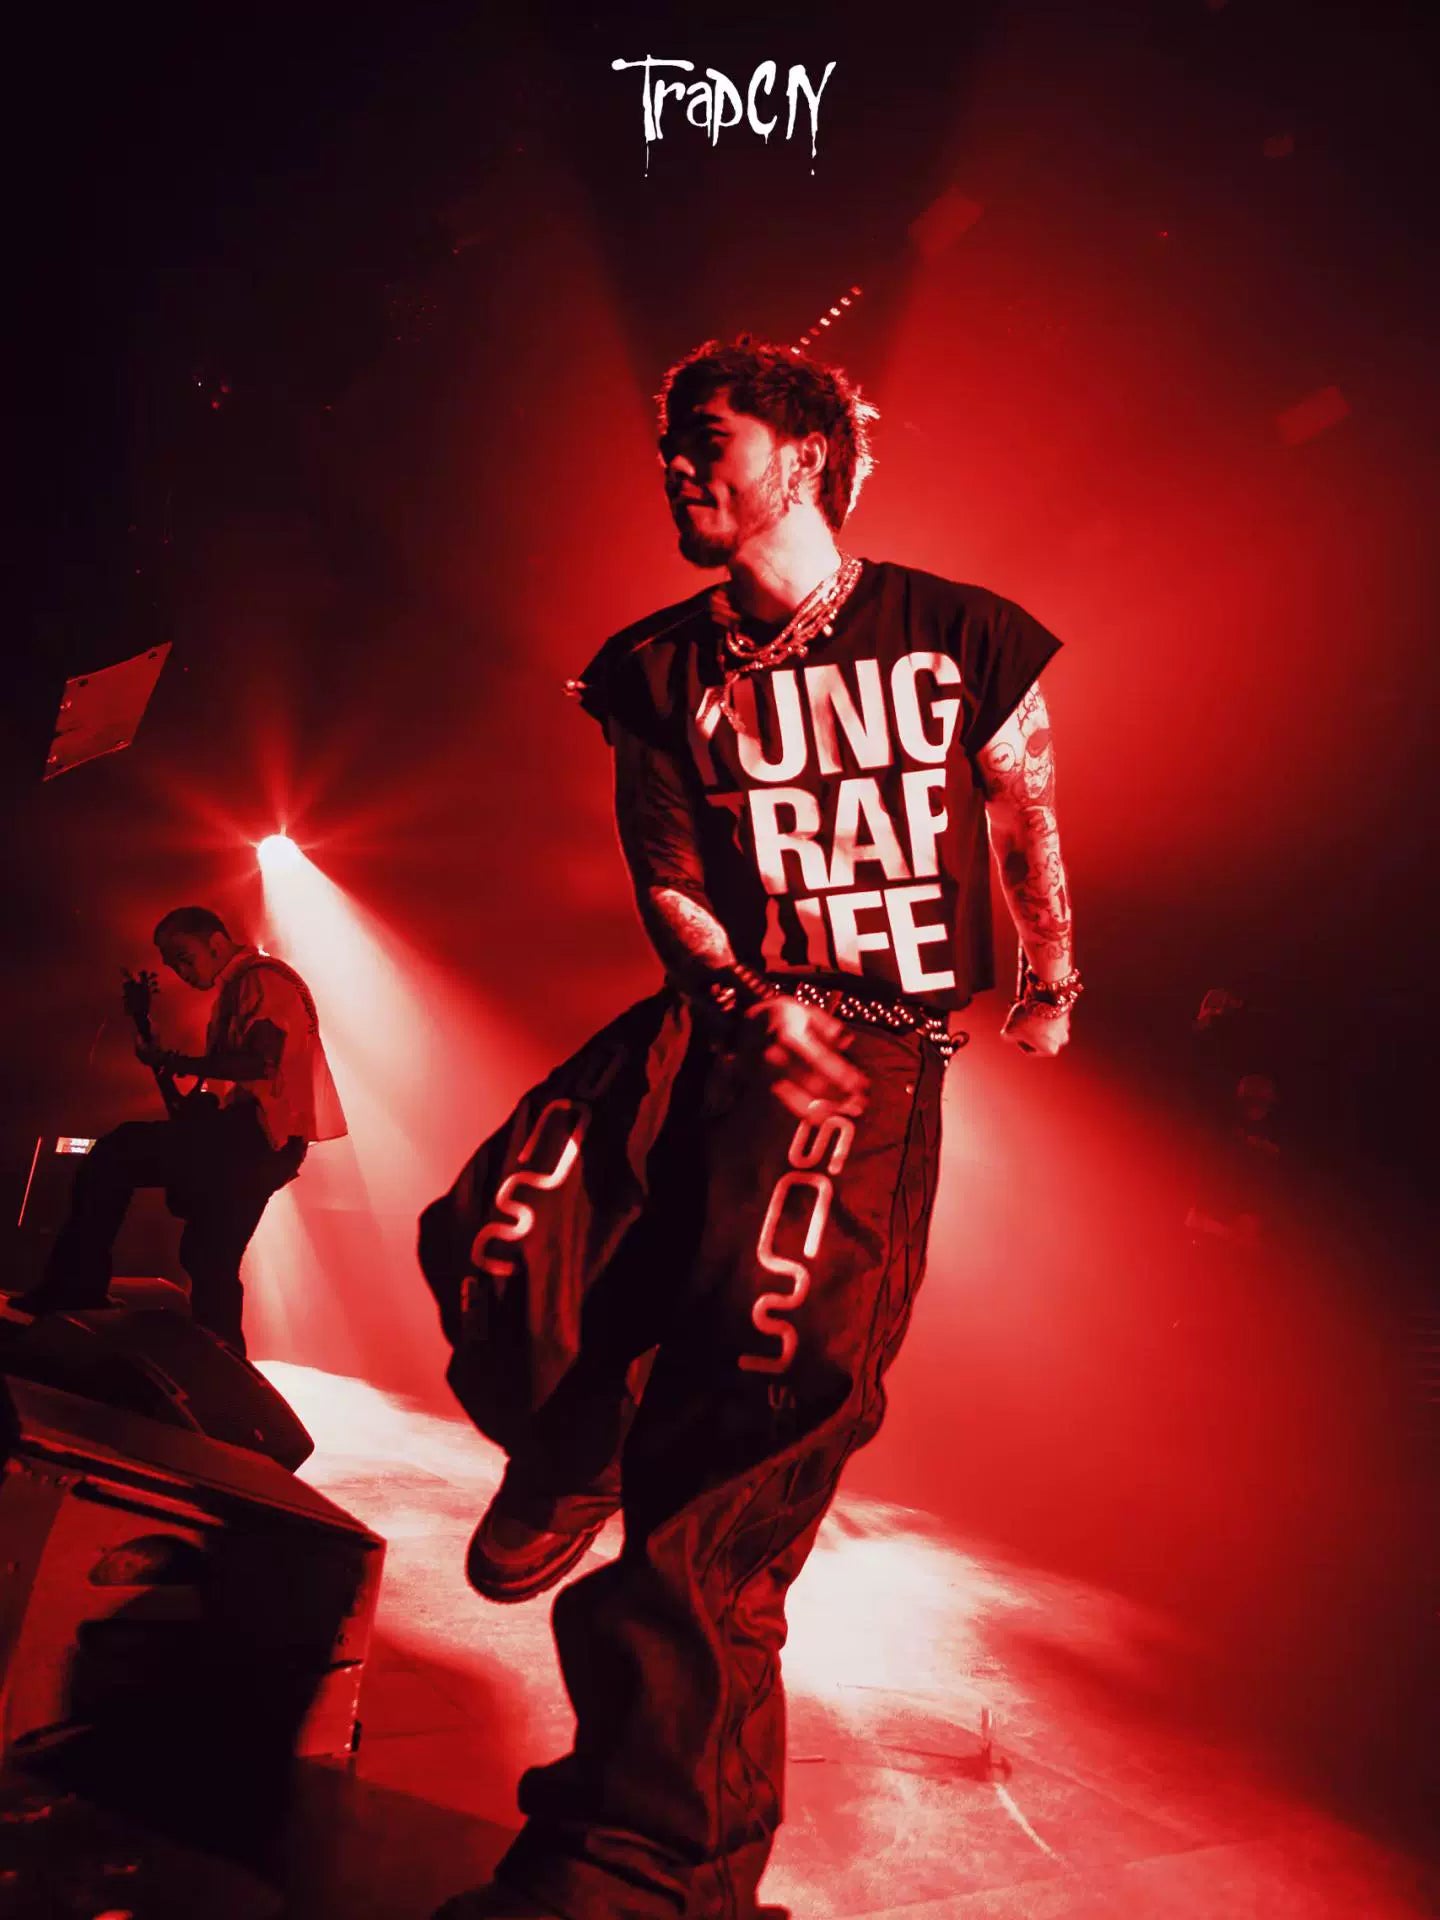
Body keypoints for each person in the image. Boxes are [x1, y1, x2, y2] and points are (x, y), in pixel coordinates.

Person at [425, 337, 1080, 1920]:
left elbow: (1023, 811)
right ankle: (568, 1440)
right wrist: (738, 1000)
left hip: (866, 1062)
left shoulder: (959, 635)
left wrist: (1049, 975)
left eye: (703, 437)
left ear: (804, 455)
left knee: (751, 1417)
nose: (674, 464)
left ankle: (648, 1860)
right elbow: (665, 877)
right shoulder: (654, 669)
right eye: (668, 442)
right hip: (713, 1023)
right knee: (495, 1228)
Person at [15, 906, 346, 1355]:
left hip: (251, 1143)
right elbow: (231, 1086)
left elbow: (259, 1064)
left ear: (216, 942)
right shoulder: (248, 987)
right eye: (172, 964)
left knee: (116, 1153)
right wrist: (151, 1034)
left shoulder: (260, 981)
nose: (180, 972)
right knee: (208, 1257)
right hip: (268, 1147)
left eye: (184, 957)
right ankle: (224, 1363)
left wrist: (171, 1061)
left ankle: (75, 1287)